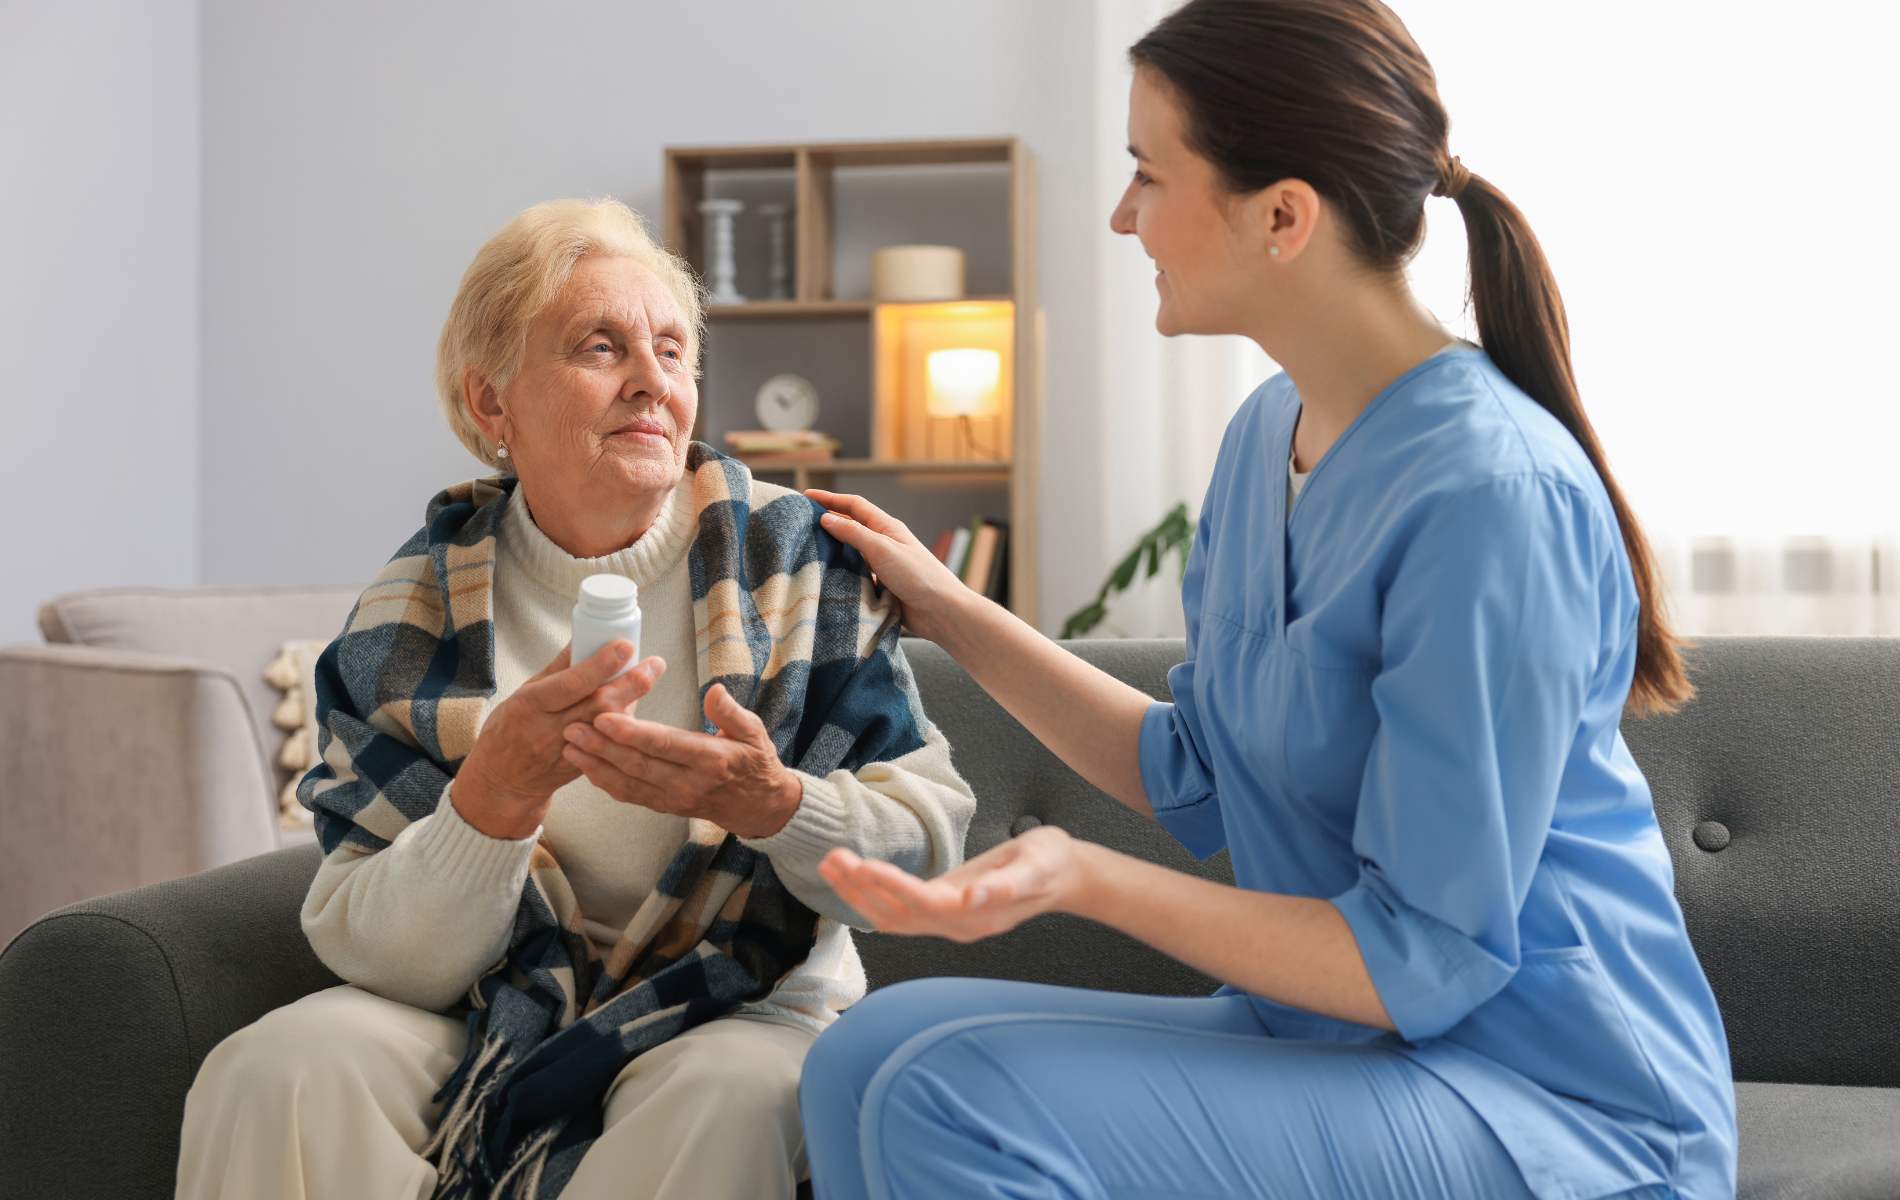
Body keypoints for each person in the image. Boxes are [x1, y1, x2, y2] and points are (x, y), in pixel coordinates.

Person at [797, 2, 1735, 1198]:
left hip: (1552, 1101)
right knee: (861, 1054)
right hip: (1346, 1045)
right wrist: (947, 608)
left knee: (946, 1094)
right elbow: (1195, 768)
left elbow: (1425, 958)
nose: (1121, 213)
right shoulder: (1262, 441)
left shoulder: (1492, 494)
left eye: (1146, 172)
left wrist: (1084, 875)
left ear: (1283, 215)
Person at [174, 198, 975, 1200]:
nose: (651, 380)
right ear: (491, 403)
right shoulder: (412, 606)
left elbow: (930, 837)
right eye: (601, 346)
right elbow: (374, 947)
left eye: (673, 351)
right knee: (274, 1072)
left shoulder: (799, 565)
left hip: (741, 1008)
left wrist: (777, 806)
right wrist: (492, 802)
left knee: (729, 1098)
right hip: (484, 1002)